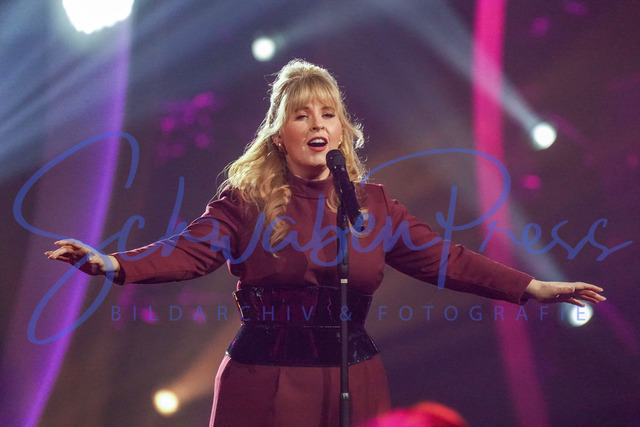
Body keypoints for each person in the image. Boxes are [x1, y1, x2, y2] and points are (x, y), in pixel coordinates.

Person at [45, 59, 606, 427]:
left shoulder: (372, 206)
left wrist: (531, 287)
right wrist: (111, 263)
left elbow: (446, 259)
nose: (317, 123)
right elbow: (187, 251)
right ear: (280, 135)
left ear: (341, 131)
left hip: (350, 378)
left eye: (328, 113)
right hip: (262, 380)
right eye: (302, 114)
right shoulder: (246, 202)